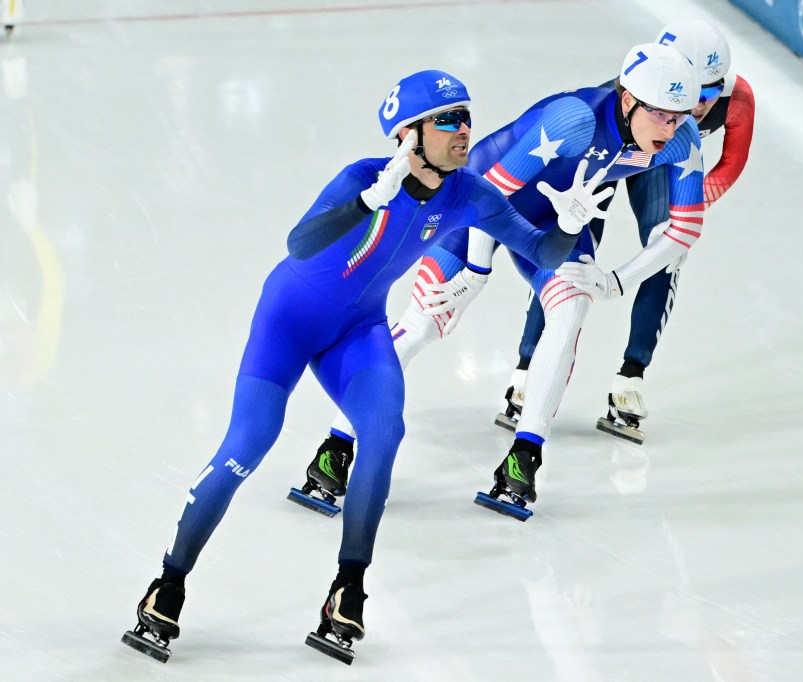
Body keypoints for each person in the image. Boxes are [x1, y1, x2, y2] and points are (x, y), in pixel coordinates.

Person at [121, 69, 611, 664]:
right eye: (447, 120)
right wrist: (366, 203)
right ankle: (168, 583)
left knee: (383, 433)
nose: (464, 130)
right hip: (288, 320)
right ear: (408, 135)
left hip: (358, 329)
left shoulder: (469, 193)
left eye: (466, 116)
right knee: (249, 442)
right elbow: (299, 245)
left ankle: (347, 589)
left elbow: (539, 252)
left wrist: (568, 226)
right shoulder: (362, 178)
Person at [307, 42, 704, 518]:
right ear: (628, 100)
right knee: (425, 320)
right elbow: (488, 196)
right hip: (475, 201)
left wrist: (616, 281)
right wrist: (476, 272)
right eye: (661, 115)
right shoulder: (574, 120)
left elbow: (685, 228)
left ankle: (524, 457)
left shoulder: (682, 139)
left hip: (554, 219)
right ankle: (336, 445)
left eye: (679, 117)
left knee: (571, 307)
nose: (671, 128)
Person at [507, 19, 756, 444]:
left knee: (669, 249)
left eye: (710, 93)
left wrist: (689, 203)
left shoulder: (740, 100)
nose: (697, 107)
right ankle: (527, 367)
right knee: (567, 256)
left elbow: (730, 165)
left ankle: (631, 376)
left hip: (668, 161)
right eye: (689, 93)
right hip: (610, 157)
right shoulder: (621, 98)